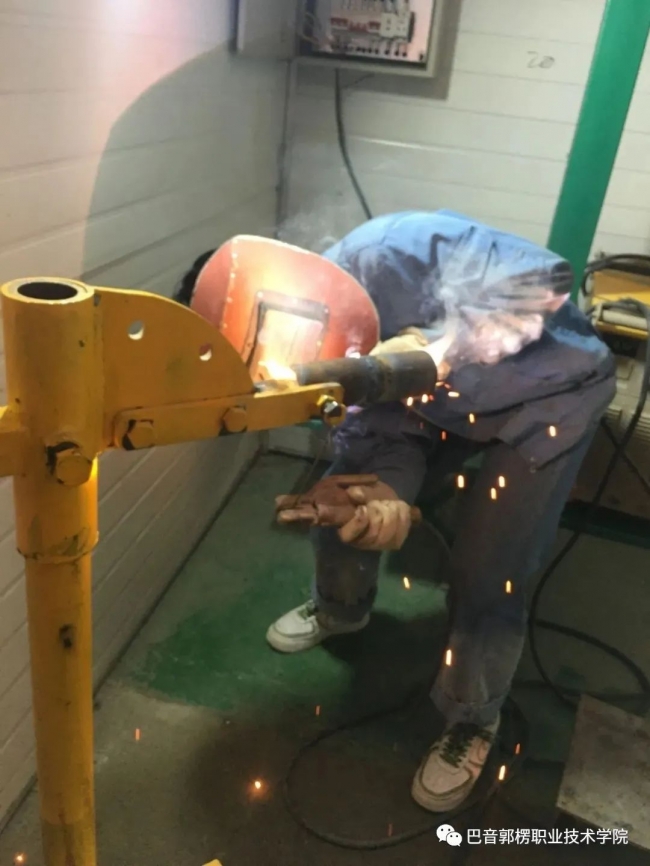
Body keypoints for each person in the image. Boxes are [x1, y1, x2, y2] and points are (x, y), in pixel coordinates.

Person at [175, 211, 616, 813]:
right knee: (341, 502)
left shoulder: (392, 249)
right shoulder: (310, 357)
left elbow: (545, 277)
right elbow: (378, 432)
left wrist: (437, 349)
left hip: (549, 398)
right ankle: (341, 608)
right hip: (432, 407)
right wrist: (385, 493)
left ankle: (472, 716)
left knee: (489, 567)